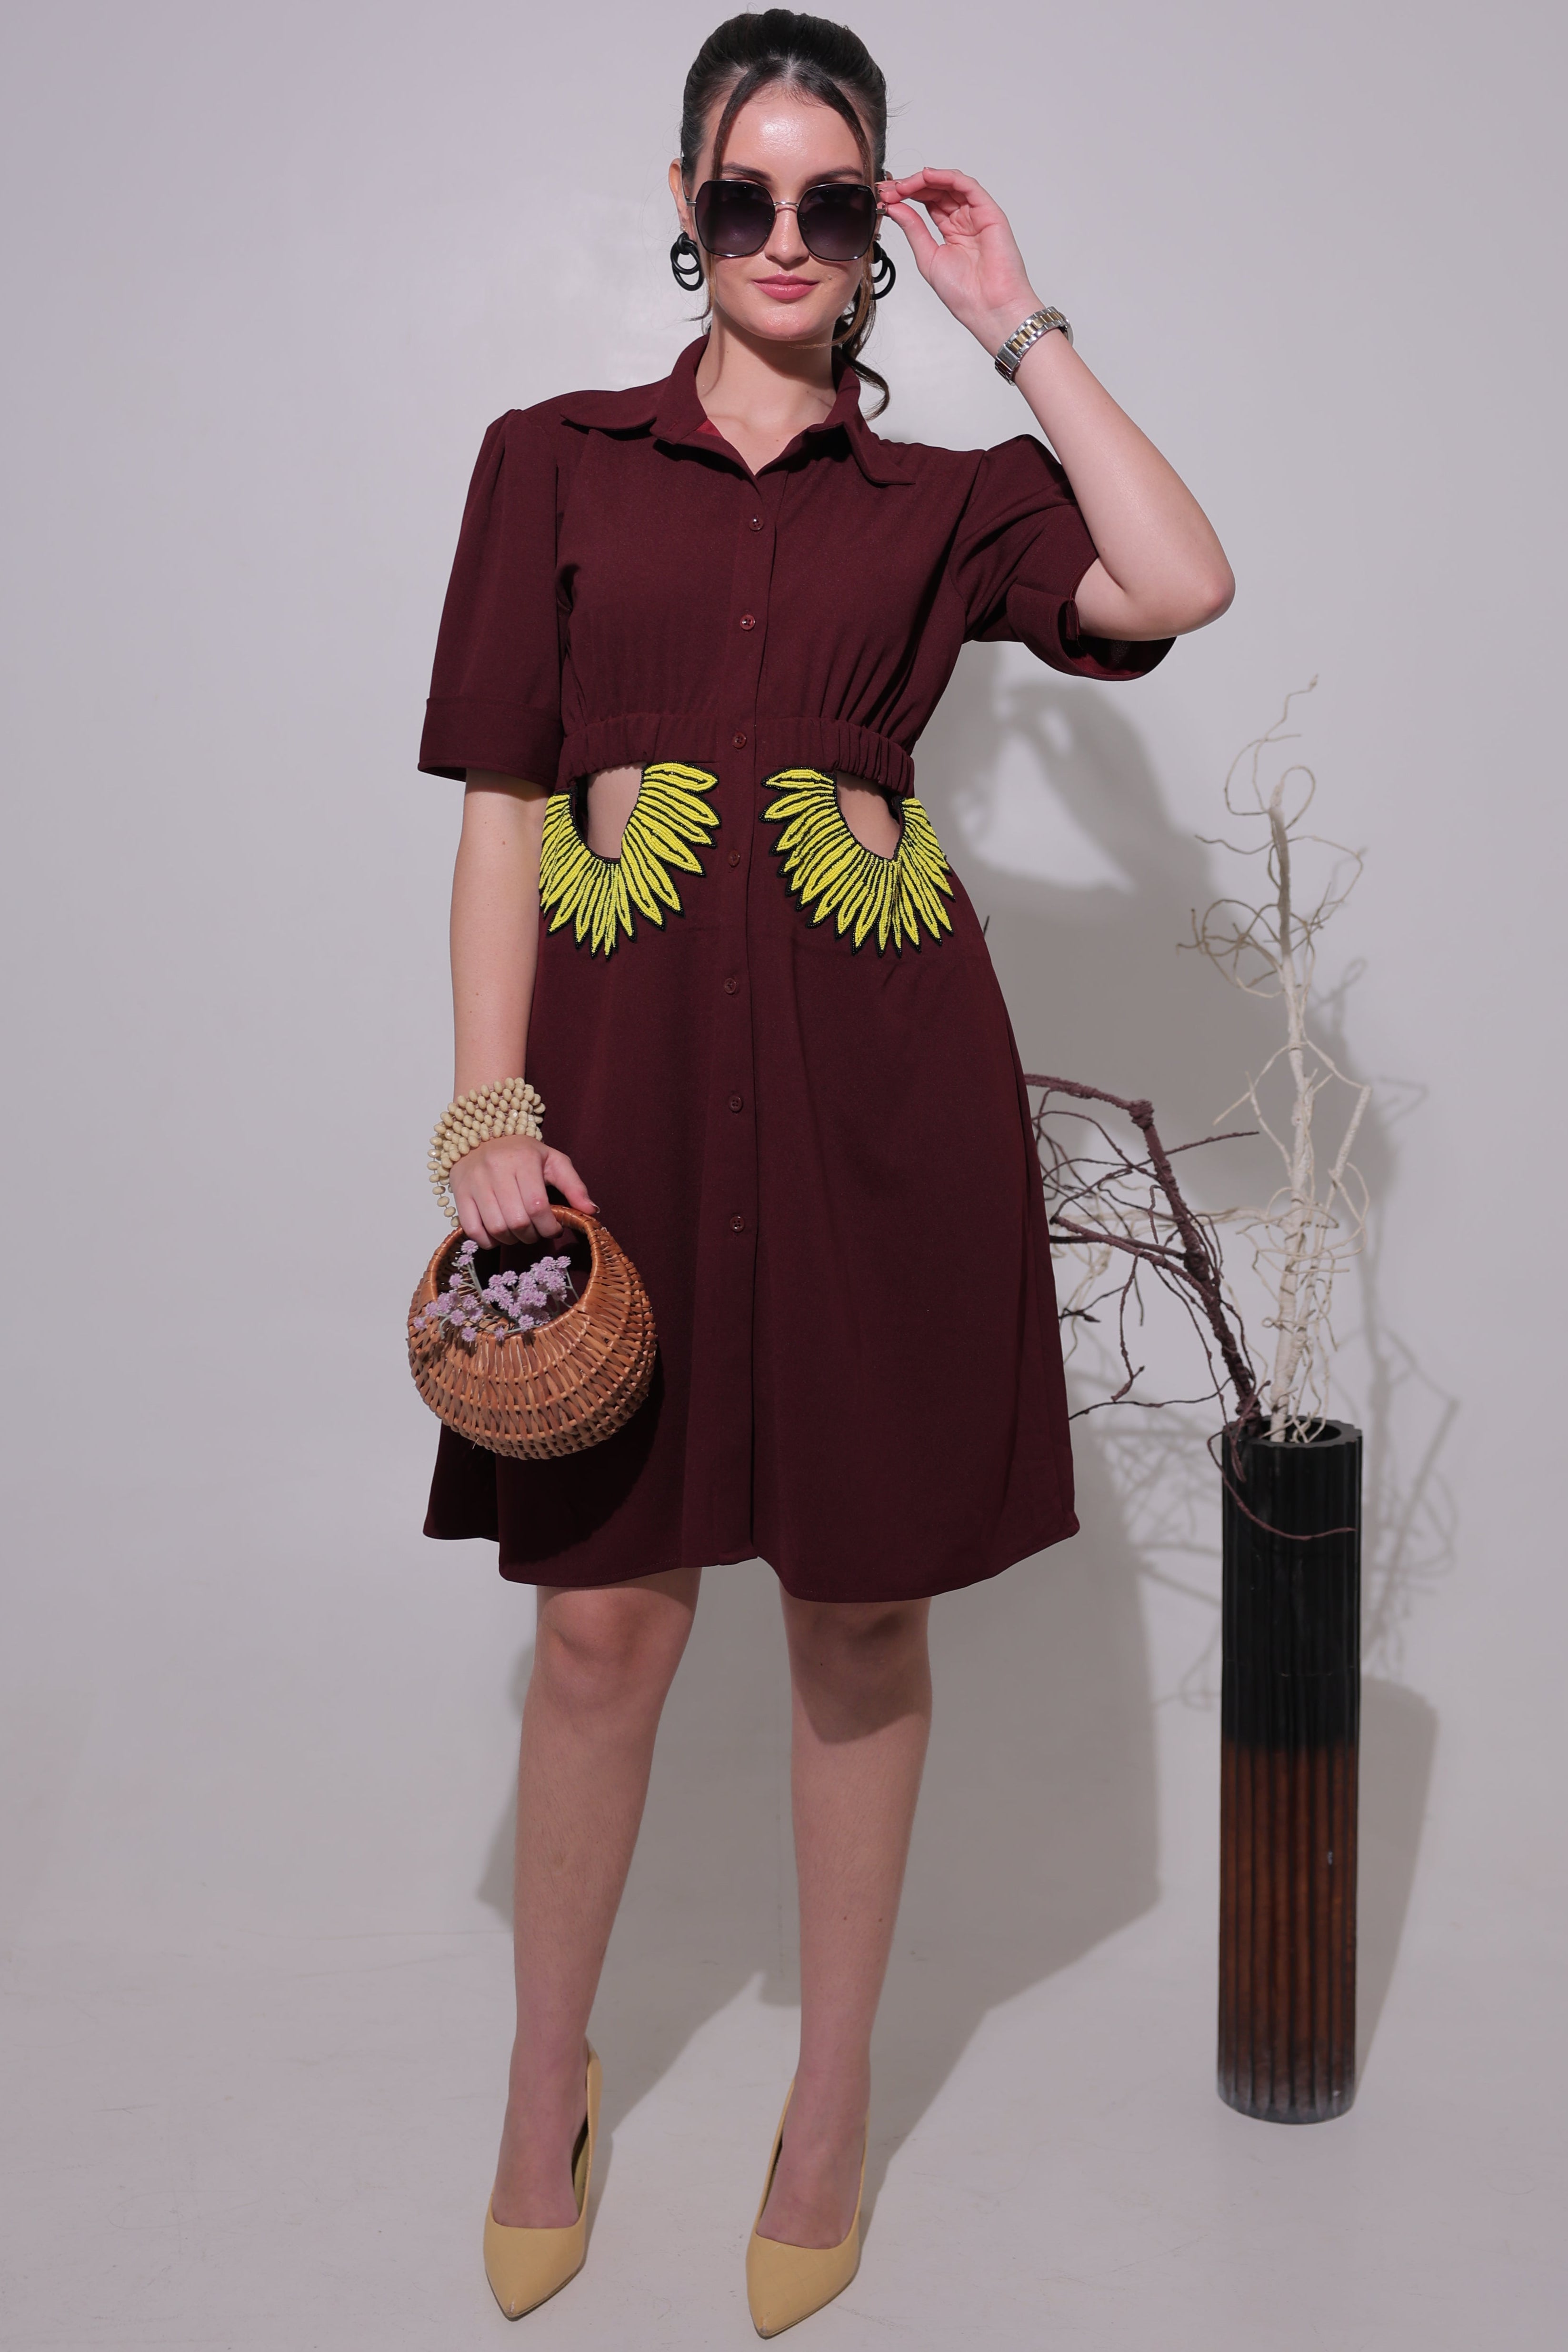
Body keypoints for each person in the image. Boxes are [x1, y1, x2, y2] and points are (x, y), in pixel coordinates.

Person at [416, 9, 1232, 2332]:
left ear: (873, 230)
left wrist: (1022, 327)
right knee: (602, 1620)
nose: (784, 235)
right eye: (744, 193)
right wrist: (490, 1114)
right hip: (626, 1098)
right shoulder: (549, 461)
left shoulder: (950, 498)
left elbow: (1174, 583)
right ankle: (541, 2073)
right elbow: (496, 800)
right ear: (684, 210)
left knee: (859, 1615)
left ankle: (826, 2101)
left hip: (885, 1097)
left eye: (831, 199)